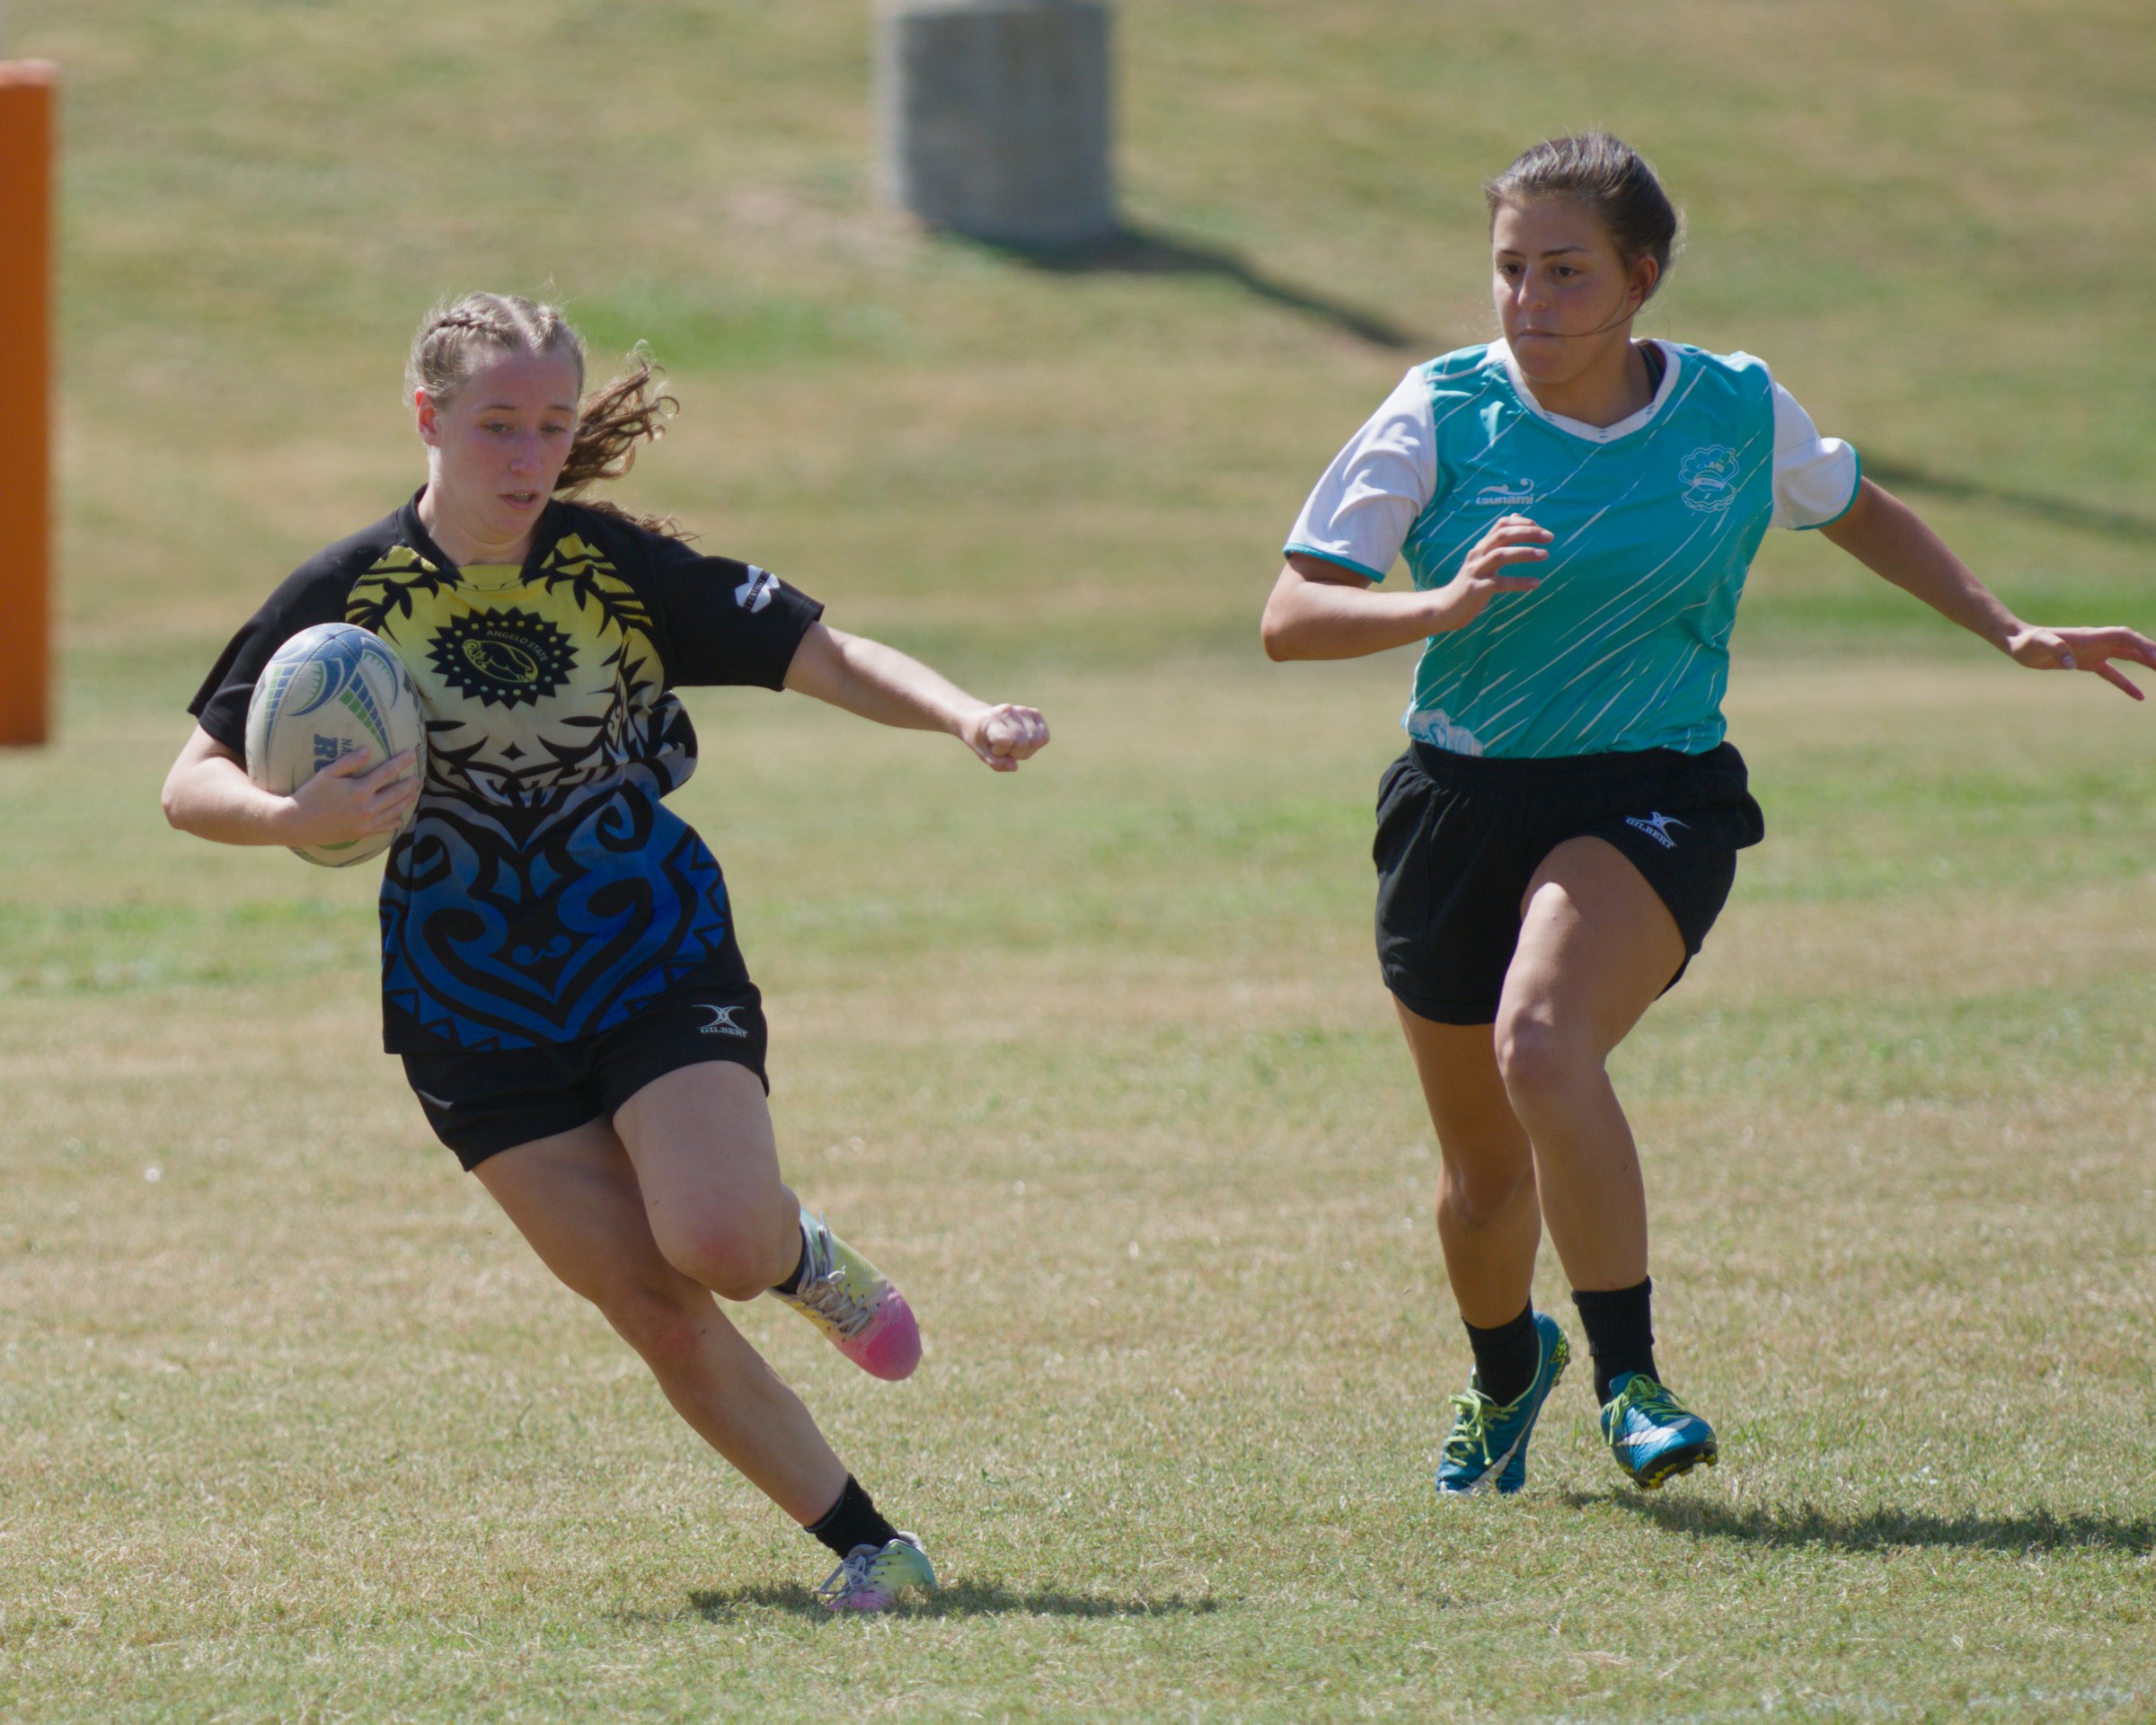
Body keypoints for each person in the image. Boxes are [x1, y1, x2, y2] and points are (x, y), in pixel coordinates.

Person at [1260, 134, 2155, 1495]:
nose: (1530, 300)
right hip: (1459, 803)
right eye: (1510, 269)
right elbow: (1290, 617)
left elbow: (1854, 507)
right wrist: (1439, 605)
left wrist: (2007, 626)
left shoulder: (1732, 409)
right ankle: (1507, 1372)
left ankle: (1631, 1380)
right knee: (1485, 1183)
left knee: (1542, 1044)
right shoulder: (1439, 411)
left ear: (1641, 278)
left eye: (1566, 271)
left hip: (1651, 792)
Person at [163, 292, 1049, 1606]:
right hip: (466, 997)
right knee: (651, 1308)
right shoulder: (343, 598)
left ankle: (797, 1257)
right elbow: (190, 781)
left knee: (719, 1241)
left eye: (552, 425)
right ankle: (876, 1551)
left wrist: (965, 715)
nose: (529, 456)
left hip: (647, 945)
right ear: (428, 418)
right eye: (497, 425)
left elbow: (826, 655)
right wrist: (287, 818)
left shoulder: (616, 568)